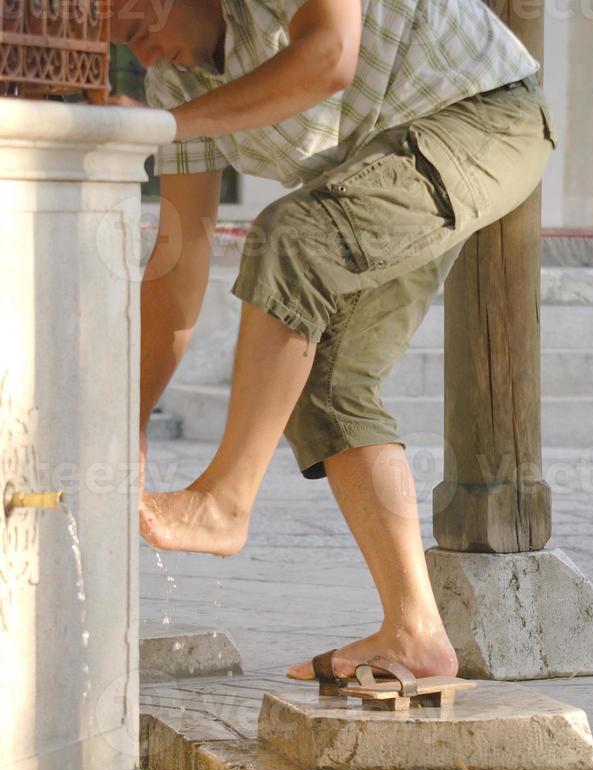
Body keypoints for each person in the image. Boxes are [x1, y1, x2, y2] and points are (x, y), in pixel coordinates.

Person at [109, 0, 557, 686]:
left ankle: (225, 501)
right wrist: (129, 425)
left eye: (142, 31)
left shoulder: (182, 101)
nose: (144, 57)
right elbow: (177, 265)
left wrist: (161, 129)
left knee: (293, 237)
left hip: (482, 115)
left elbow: (330, 55)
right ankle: (416, 633)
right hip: (385, 161)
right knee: (327, 383)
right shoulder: (177, 86)